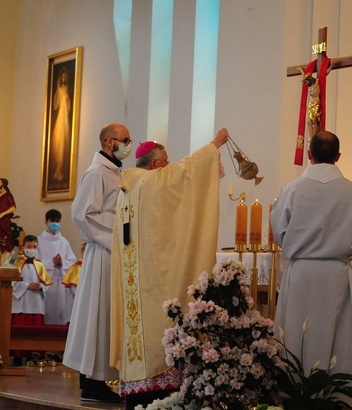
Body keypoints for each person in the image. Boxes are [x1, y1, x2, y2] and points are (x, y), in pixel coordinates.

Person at [110, 129, 229, 410]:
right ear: (154, 164)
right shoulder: (150, 183)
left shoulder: (129, 186)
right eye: (165, 160)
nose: (169, 163)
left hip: (138, 280)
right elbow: (183, 175)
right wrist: (213, 147)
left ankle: (138, 398)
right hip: (153, 281)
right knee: (158, 337)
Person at [271, 131, 352, 383]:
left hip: (302, 273)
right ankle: (335, 396)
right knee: (337, 335)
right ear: (338, 157)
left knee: (295, 334)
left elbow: (279, 232)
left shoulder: (292, 189)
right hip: (336, 273)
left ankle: (294, 393)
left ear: (309, 154)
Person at [63, 122, 131, 403]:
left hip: (111, 253)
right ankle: (92, 385)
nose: (128, 144)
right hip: (103, 252)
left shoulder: (114, 172)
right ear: (108, 142)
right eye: (123, 139)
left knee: (103, 316)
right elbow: (82, 214)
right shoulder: (96, 173)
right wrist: (119, 235)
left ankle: (97, 381)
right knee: (97, 315)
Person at [11, 235, 53, 364]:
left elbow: (47, 283)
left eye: (34, 247)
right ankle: (17, 356)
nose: (32, 249)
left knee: (34, 330)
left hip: (35, 301)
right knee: (20, 329)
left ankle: (33, 355)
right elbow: (11, 282)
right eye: (29, 247)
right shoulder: (16, 263)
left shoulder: (39, 264)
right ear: (23, 247)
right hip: (21, 302)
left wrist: (40, 287)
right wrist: (27, 286)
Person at [37, 209, 77, 325]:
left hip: (61, 283)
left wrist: (62, 263)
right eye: (52, 221)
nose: (55, 224)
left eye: (58, 221)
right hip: (46, 283)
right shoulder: (39, 241)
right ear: (46, 222)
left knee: (61, 312)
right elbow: (35, 263)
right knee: (47, 313)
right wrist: (51, 262)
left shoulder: (64, 242)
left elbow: (73, 262)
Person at [51, 68, 72, 183]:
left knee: (64, 142)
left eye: (65, 77)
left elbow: (68, 106)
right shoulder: (59, 90)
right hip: (60, 116)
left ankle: (61, 169)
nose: (63, 78)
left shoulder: (66, 89)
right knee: (58, 142)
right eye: (62, 77)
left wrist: (67, 99)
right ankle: (57, 168)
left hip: (65, 116)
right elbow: (55, 105)